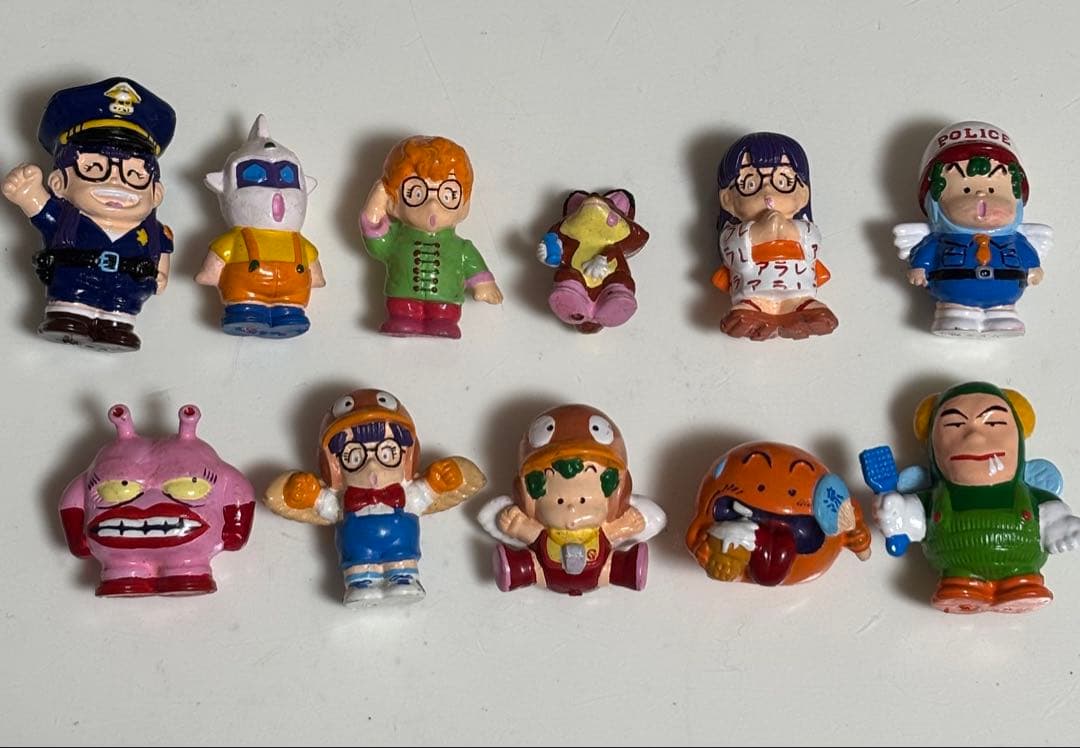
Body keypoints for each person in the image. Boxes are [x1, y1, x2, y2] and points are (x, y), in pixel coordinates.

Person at [2, 77, 175, 351]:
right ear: (59, 182)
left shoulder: (154, 232)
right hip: (75, 279)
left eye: (134, 175)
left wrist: (161, 273)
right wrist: (28, 195)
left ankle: (116, 326)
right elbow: (43, 213)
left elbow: (160, 252)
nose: (116, 183)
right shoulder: (68, 219)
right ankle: (69, 316)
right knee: (71, 305)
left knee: (121, 308)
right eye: (95, 169)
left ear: (156, 193)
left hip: (126, 287)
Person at [359, 135, 502, 339]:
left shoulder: (461, 248)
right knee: (402, 312)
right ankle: (403, 319)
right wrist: (377, 201)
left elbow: (473, 264)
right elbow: (376, 244)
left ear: (464, 206)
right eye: (416, 193)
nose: (433, 205)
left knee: (444, 316)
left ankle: (443, 322)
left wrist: (484, 284)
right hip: (401, 298)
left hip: (446, 301)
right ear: (394, 202)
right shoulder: (396, 239)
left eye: (448, 195)